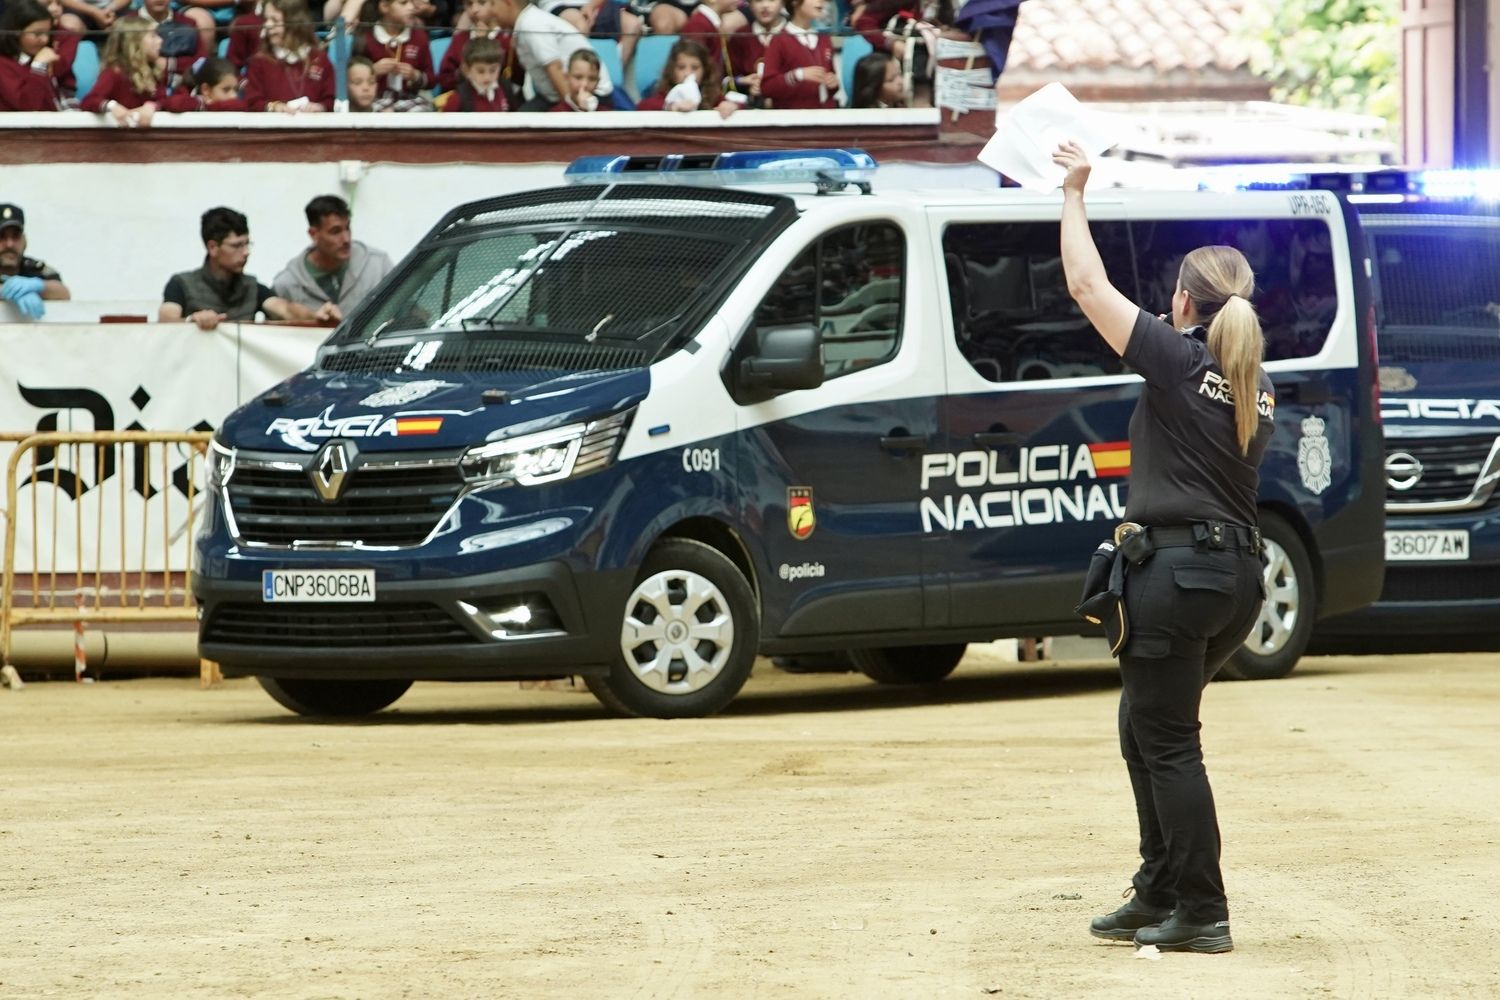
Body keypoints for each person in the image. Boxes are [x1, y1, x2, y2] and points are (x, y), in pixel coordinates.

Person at [1053, 141, 1273, 956]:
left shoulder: (1181, 363)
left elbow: (1085, 286)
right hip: (1234, 576)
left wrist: (1074, 193)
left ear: (1184, 303)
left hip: (1179, 574)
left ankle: (1202, 909)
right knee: (1146, 723)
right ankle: (1158, 891)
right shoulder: (1251, 378)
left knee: (1168, 736)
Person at [161, 207, 339, 331]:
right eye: (236, 246)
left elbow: (286, 309)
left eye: (247, 244)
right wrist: (192, 320)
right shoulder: (181, 284)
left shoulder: (252, 287)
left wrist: (317, 315)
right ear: (213, 247)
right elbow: (165, 319)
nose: (246, 252)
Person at [272, 195, 394, 314]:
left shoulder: (378, 266)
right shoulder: (287, 284)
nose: (346, 239)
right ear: (313, 234)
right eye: (335, 231)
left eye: (347, 228)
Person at [495, 0, 613, 111]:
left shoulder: (532, 24)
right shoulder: (525, 22)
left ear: (507, 2)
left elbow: (555, 68)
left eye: (493, 3)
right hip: (552, 96)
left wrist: (573, 111)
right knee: (520, 121)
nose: (491, 10)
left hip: (586, 94)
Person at [244, 0, 336, 112]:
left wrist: (320, 107)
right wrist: (274, 107)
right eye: (266, 19)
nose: (267, 25)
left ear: (294, 23)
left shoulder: (319, 58)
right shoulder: (259, 61)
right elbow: (253, 102)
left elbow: (330, 100)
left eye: (275, 20)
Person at [79, 15, 170, 126]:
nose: (160, 41)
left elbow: (168, 100)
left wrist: (152, 105)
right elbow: (89, 101)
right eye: (153, 36)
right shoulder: (114, 73)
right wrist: (111, 106)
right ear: (135, 42)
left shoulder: (154, 71)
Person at [760, 0, 837, 110]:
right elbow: (767, 87)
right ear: (795, 2)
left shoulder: (824, 39)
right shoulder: (779, 40)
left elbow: (831, 82)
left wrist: (833, 82)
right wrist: (797, 75)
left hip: (825, 116)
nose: (821, 2)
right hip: (793, 119)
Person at [355, 0, 434, 105]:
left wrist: (415, 75)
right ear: (384, 6)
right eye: (403, 3)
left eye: (412, 2)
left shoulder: (420, 38)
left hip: (410, 101)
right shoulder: (365, 38)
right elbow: (350, 80)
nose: (411, 7)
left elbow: (432, 80)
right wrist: (372, 71)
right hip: (373, 101)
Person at [0, 204, 70, 321]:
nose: (9, 244)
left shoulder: (34, 267)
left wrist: (40, 287)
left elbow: (63, 293)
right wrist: (4, 291)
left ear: (24, 241)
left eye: (15, 236)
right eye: (2, 237)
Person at [634, 38, 734, 117]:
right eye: (681, 67)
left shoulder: (712, 96)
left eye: (695, 68)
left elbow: (737, 106)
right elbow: (642, 107)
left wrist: (728, 106)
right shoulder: (667, 94)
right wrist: (671, 106)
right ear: (672, 70)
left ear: (705, 70)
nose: (687, 73)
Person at [0, 0, 61, 111]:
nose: (45, 40)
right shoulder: (2, 65)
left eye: (48, 33)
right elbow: (27, 107)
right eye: (37, 33)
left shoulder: (35, 59)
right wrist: (38, 67)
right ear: (16, 32)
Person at [436, 0, 508, 93]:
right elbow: (444, 80)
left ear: (494, 4)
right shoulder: (459, 39)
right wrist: (462, 71)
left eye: (482, 3)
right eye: (469, 4)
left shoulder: (506, 40)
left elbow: (511, 81)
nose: (474, 10)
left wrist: (483, 44)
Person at [725, 0, 783, 107]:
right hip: (749, 110)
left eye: (772, 0)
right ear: (750, 5)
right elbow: (726, 80)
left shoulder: (793, 34)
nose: (765, 5)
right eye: (758, 1)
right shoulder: (740, 37)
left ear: (783, 3)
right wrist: (743, 82)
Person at [439, 35, 509, 110]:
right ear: (467, 69)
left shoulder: (505, 88)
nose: (487, 77)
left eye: (493, 70)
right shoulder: (458, 99)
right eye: (480, 71)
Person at [159, 55, 251, 110]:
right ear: (206, 90)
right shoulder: (191, 99)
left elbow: (243, 105)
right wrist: (203, 104)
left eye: (235, 90)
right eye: (226, 90)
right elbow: (173, 104)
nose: (234, 96)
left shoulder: (238, 102)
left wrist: (211, 107)